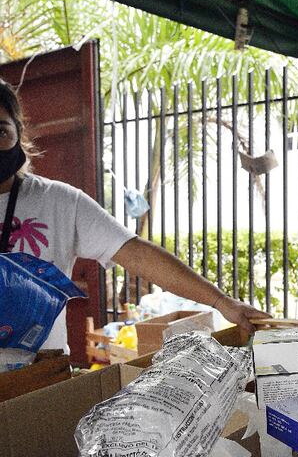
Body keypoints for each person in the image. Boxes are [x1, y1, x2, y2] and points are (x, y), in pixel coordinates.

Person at [0, 78, 269, 353]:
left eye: (1, 132)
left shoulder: (59, 201)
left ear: (19, 133)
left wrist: (222, 302)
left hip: (39, 380)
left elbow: (138, 254)